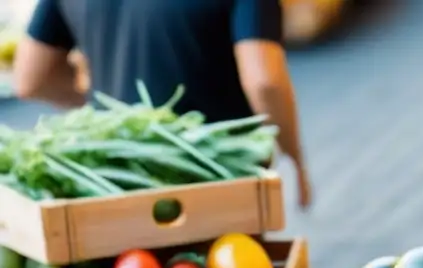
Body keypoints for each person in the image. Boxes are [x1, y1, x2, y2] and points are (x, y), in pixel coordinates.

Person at [13, 0, 312, 208]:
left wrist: (109, 107)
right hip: (215, 177)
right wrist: (293, 156)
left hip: (115, 181)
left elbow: (30, 78)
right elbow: (264, 80)